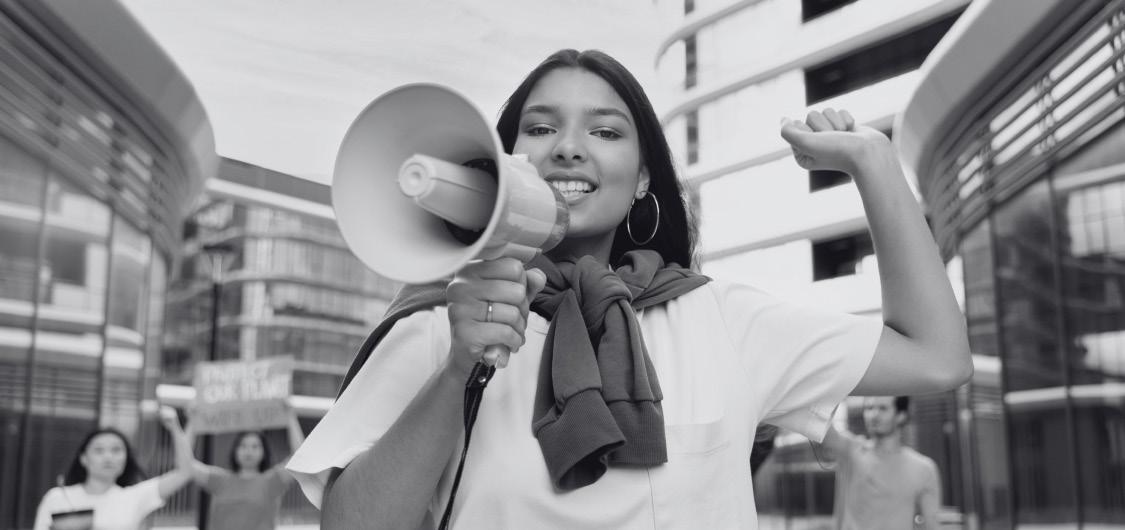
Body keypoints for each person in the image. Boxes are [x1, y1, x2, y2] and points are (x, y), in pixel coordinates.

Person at [287, 48, 972, 529]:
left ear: (643, 179)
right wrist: (457, 370)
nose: (568, 147)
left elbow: (936, 357)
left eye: (606, 130)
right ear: (503, 163)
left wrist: (874, 163)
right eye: (540, 127)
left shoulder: (722, 320)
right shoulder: (438, 329)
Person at [32, 408, 193, 530]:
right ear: (84, 459)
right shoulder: (58, 497)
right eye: (99, 450)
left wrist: (175, 427)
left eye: (116, 450)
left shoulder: (133, 497)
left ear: (126, 459)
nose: (108, 457)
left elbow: (184, 472)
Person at [162, 401, 306, 530]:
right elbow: (185, 465)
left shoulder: (272, 481)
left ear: (264, 452)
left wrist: (291, 418)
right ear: (235, 451)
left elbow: (299, 459)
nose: (249, 451)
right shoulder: (220, 480)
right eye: (243, 446)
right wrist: (192, 422)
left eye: (255, 446)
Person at [818, 397, 941, 530]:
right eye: (869, 408)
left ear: (901, 415)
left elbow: (932, 525)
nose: (874, 415)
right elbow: (817, 423)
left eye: (883, 408)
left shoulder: (923, 468)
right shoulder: (850, 450)